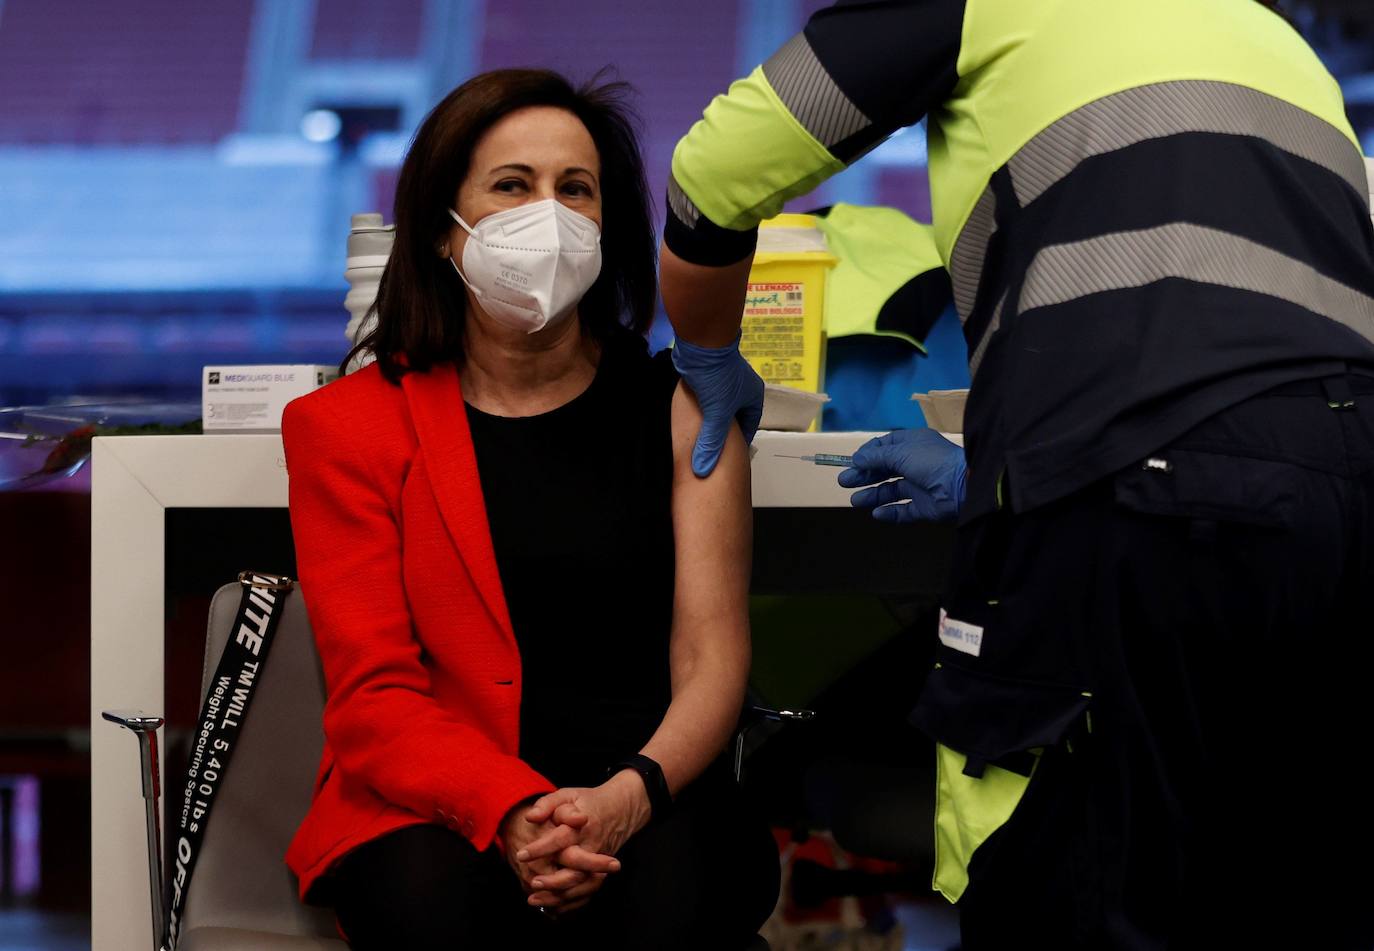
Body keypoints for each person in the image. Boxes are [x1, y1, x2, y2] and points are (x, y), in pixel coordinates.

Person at [659, 0, 1374, 947]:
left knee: (1068, 880)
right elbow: (1244, 357)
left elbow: (714, 172)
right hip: (1346, 493)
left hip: (1135, 487)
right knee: (1277, 885)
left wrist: (708, 349)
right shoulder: (1277, 42)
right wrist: (993, 473)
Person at [280, 68, 778, 950]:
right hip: (437, 800)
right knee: (436, 911)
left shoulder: (687, 411)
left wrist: (626, 799)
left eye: (575, 189)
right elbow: (374, 698)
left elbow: (712, 659)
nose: (548, 213)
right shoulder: (345, 428)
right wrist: (511, 809)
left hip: (650, 785)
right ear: (443, 227)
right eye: (513, 185)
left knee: (678, 906)